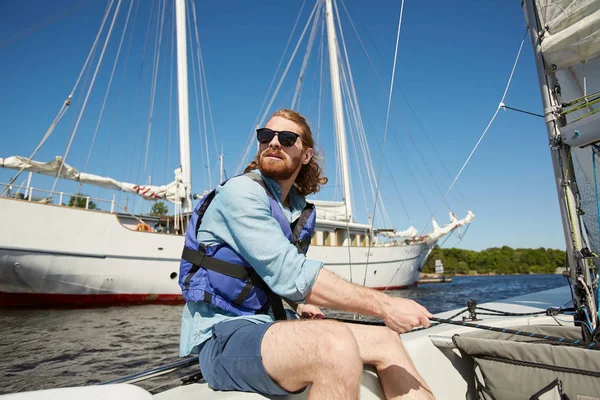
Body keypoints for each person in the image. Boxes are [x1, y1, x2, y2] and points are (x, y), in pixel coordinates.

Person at [179, 109, 435, 400]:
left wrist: (297, 305)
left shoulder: (295, 211)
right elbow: (291, 273)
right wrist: (386, 306)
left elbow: (268, 275)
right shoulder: (240, 193)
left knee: (387, 340)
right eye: (266, 136)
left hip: (271, 327)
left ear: (306, 155)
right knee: (333, 345)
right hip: (222, 337)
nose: (274, 142)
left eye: (287, 138)